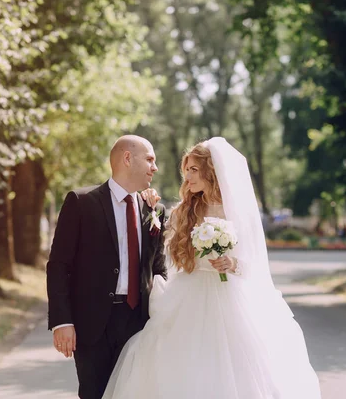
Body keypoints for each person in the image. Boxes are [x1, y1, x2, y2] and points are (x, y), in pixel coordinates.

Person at [102, 137, 321, 399]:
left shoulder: (236, 210)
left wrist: (232, 263)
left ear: (211, 172)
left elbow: (255, 263)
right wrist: (149, 209)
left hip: (230, 298)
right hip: (188, 293)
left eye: (194, 170)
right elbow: (161, 249)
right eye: (187, 170)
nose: (188, 177)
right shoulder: (185, 211)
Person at [46, 135, 168, 398]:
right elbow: (58, 265)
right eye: (149, 159)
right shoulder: (81, 202)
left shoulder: (154, 210)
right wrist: (61, 321)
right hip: (92, 325)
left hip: (139, 323)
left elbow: (159, 270)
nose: (154, 167)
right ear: (127, 158)